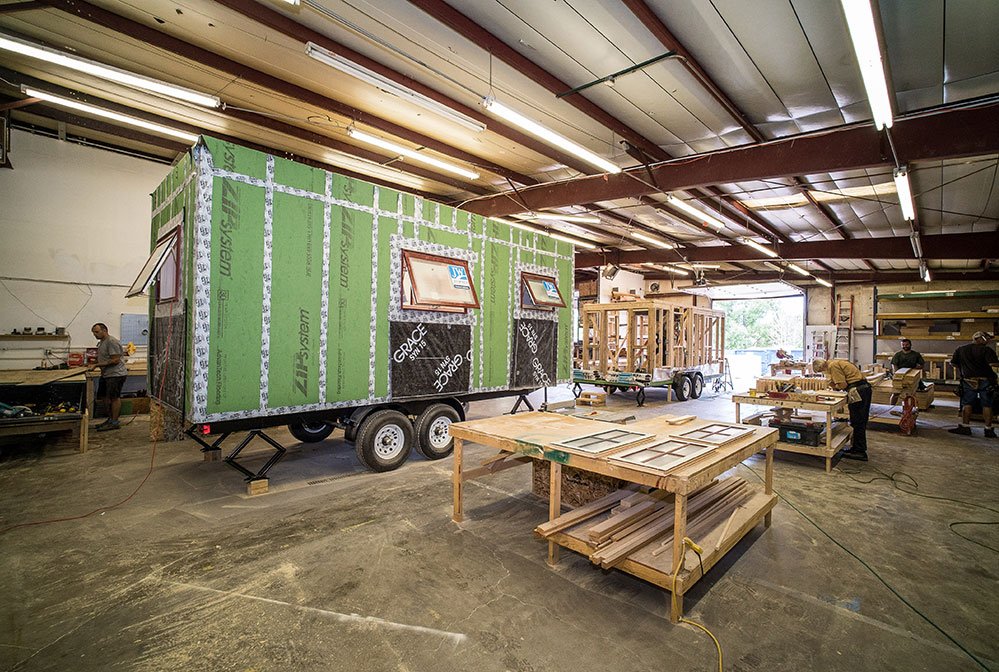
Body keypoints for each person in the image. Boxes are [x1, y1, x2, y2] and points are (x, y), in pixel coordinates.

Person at [812, 358, 872, 460]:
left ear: (822, 367)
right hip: (862, 389)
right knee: (858, 421)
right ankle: (857, 448)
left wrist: (832, 384)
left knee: (858, 421)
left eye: (821, 371)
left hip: (858, 390)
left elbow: (842, 385)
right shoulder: (834, 362)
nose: (823, 372)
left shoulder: (832, 366)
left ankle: (859, 451)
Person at [949, 331, 998, 438]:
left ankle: (965, 427)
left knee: (967, 403)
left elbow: (953, 363)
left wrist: (964, 368)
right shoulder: (986, 350)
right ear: (980, 339)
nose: (989, 341)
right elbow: (993, 364)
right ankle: (988, 429)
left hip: (968, 380)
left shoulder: (961, 349)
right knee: (987, 404)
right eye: (987, 338)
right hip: (985, 380)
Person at [90, 322, 128, 431]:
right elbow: (105, 357)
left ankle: (114, 422)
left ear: (104, 330)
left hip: (116, 374)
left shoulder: (111, 341)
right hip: (107, 374)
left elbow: (115, 360)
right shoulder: (102, 342)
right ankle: (110, 419)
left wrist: (97, 365)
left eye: (97, 332)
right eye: (93, 333)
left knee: (114, 397)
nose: (95, 335)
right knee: (103, 396)